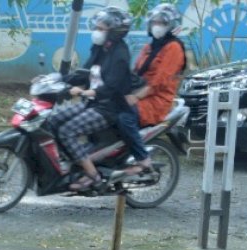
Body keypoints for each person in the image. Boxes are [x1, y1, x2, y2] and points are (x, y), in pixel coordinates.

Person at [49, 7, 134, 191]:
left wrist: (88, 92)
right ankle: (70, 163)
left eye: (101, 28)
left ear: (114, 32)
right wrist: (57, 79)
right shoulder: (101, 49)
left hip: (109, 109)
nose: (96, 31)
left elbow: (112, 87)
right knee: (53, 120)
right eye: (96, 27)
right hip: (92, 103)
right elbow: (84, 73)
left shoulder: (120, 54)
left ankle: (94, 177)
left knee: (67, 131)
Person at [116, 3, 187, 178]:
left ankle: (143, 158)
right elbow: (136, 72)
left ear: (171, 25)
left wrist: (135, 96)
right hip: (140, 94)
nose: (157, 26)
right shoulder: (149, 47)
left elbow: (160, 81)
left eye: (162, 22)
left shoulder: (174, 47)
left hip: (156, 100)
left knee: (124, 117)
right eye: (154, 22)